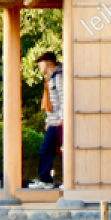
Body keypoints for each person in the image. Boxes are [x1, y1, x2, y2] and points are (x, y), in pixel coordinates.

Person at [28, 51, 64, 189]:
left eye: (40, 64)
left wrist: (62, 117)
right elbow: (51, 103)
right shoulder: (50, 78)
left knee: (48, 149)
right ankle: (46, 179)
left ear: (48, 62)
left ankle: (47, 180)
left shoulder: (58, 77)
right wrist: (48, 120)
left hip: (59, 122)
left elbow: (63, 97)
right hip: (53, 121)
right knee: (47, 149)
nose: (39, 67)